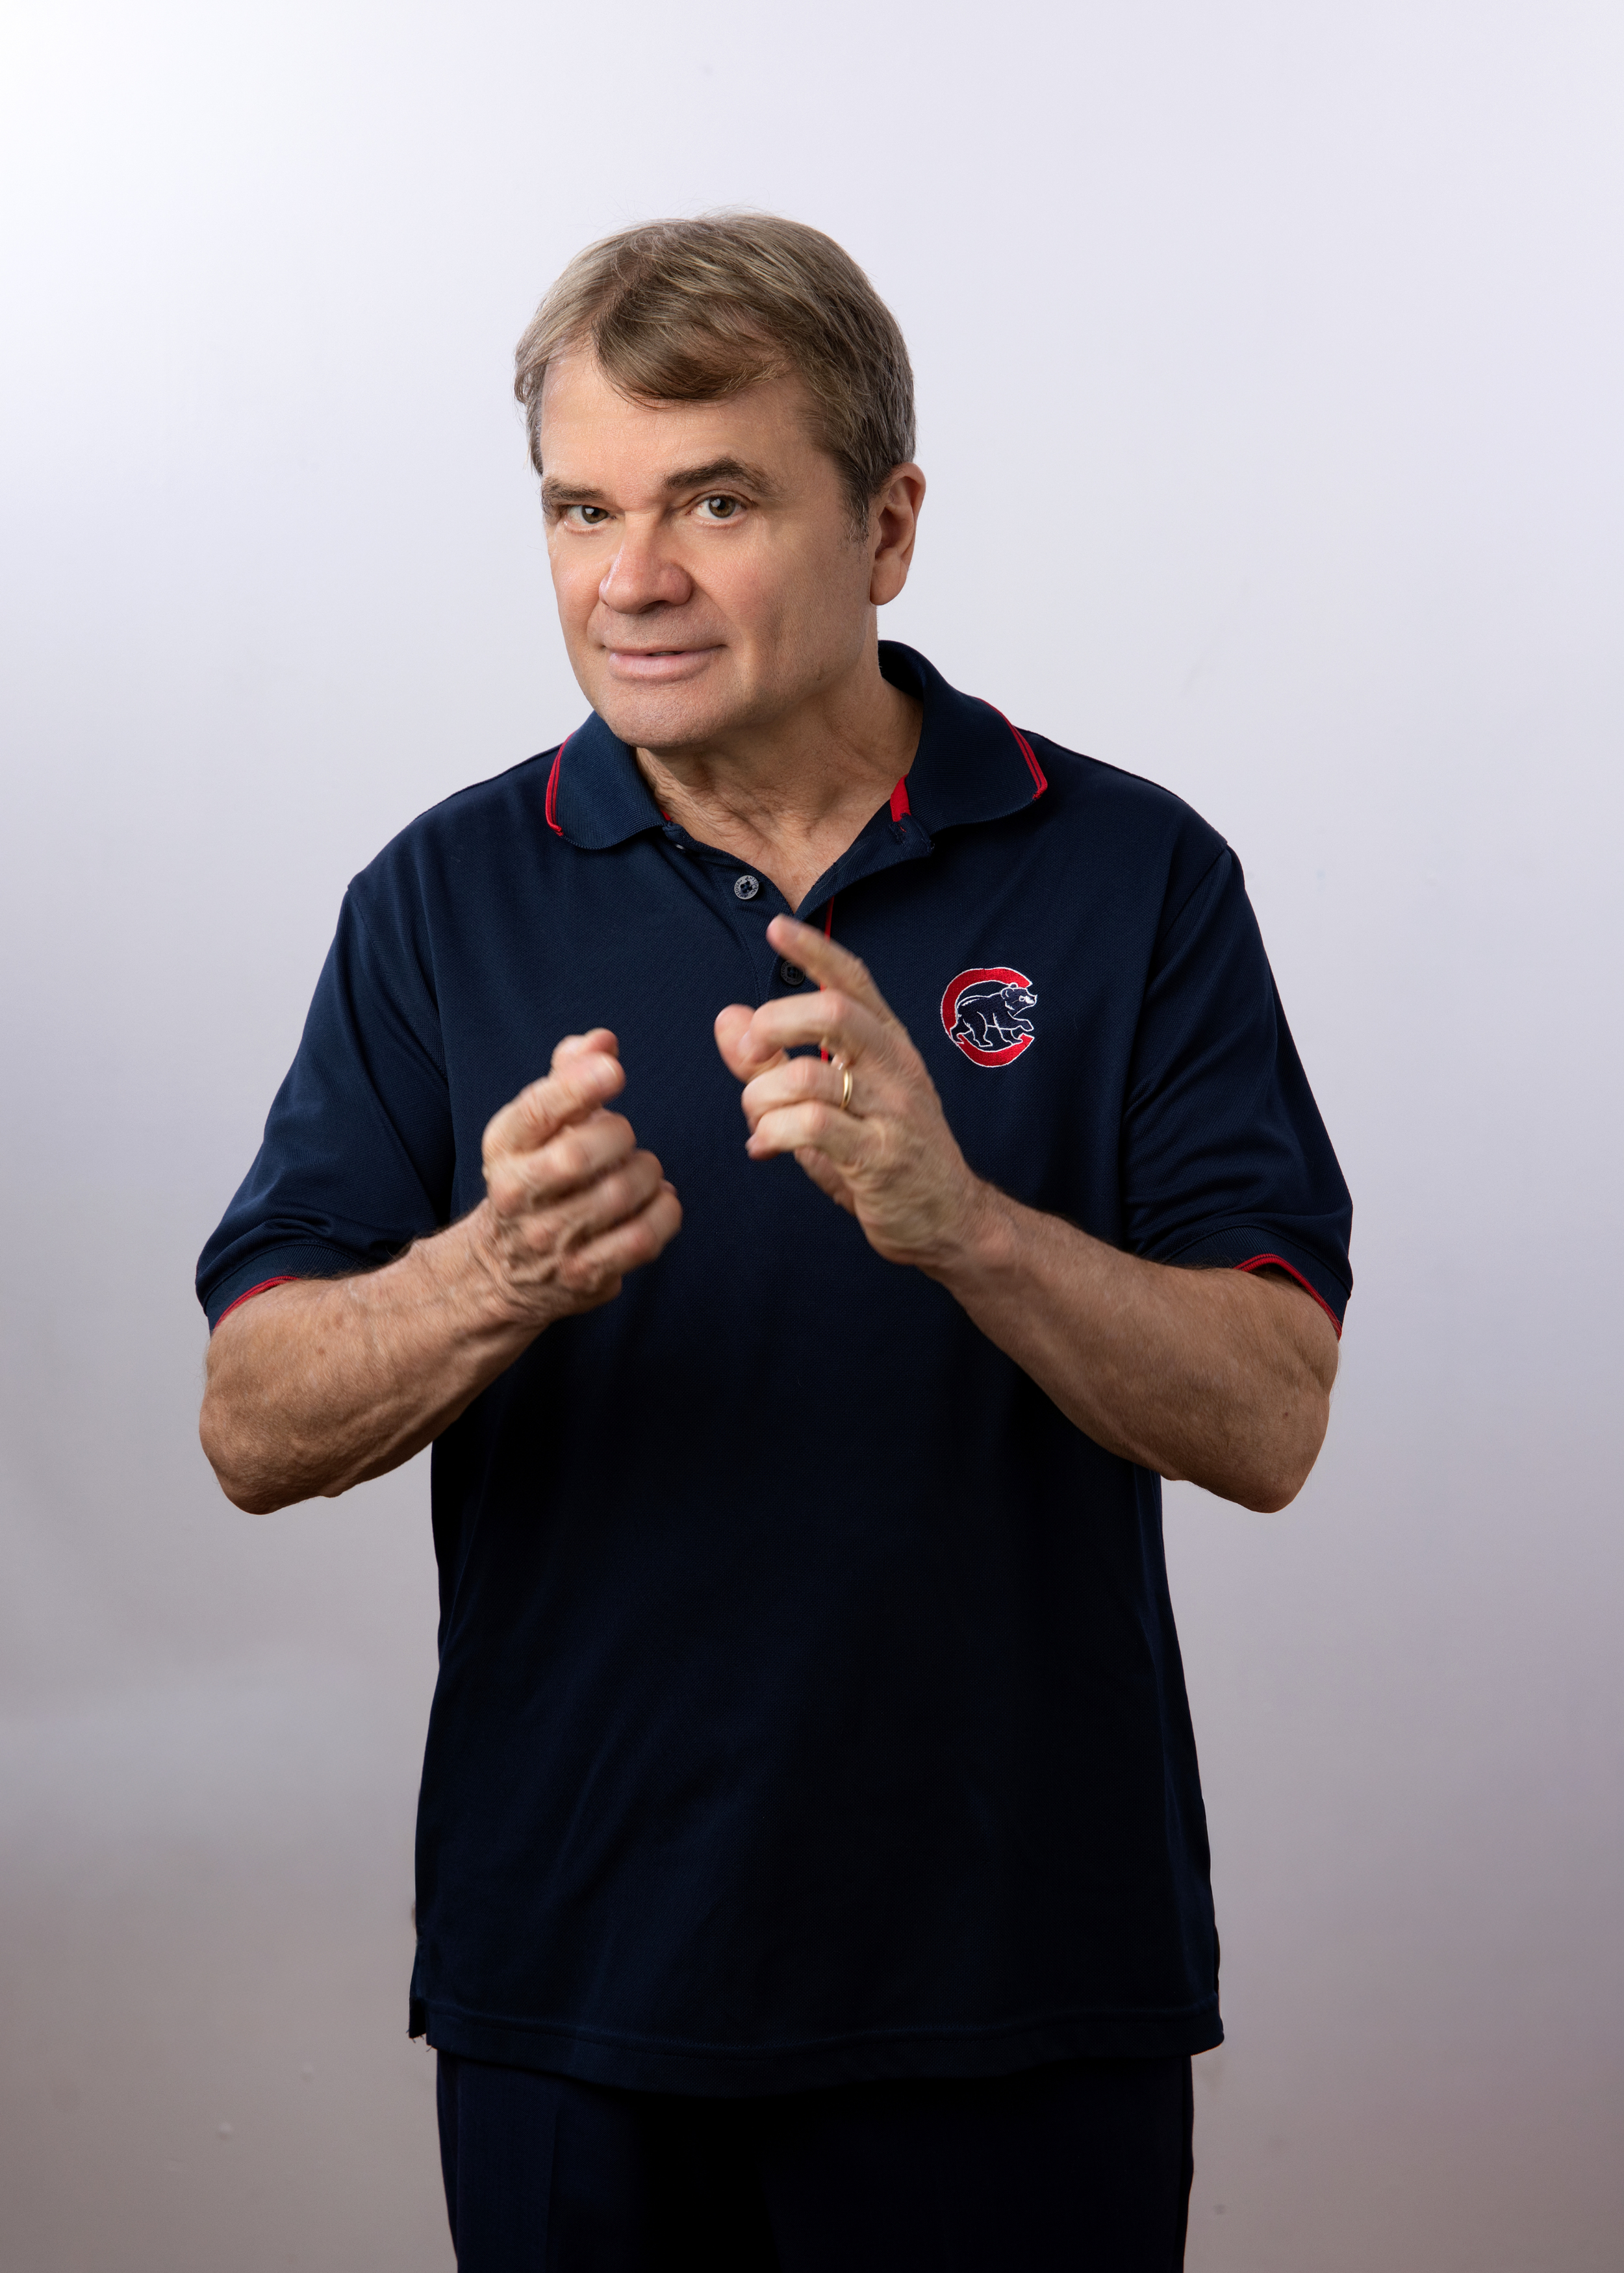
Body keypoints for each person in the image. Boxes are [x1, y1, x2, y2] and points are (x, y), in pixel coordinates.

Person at [197, 214, 1351, 2270]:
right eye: (580, 508)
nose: (627, 578)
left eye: (712, 501)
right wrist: (499, 1272)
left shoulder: (1131, 874)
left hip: (1017, 1983)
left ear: (886, 526)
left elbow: (1268, 1418)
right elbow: (251, 1425)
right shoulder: (443, 898)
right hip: (576, 1985)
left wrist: (964, 1229)